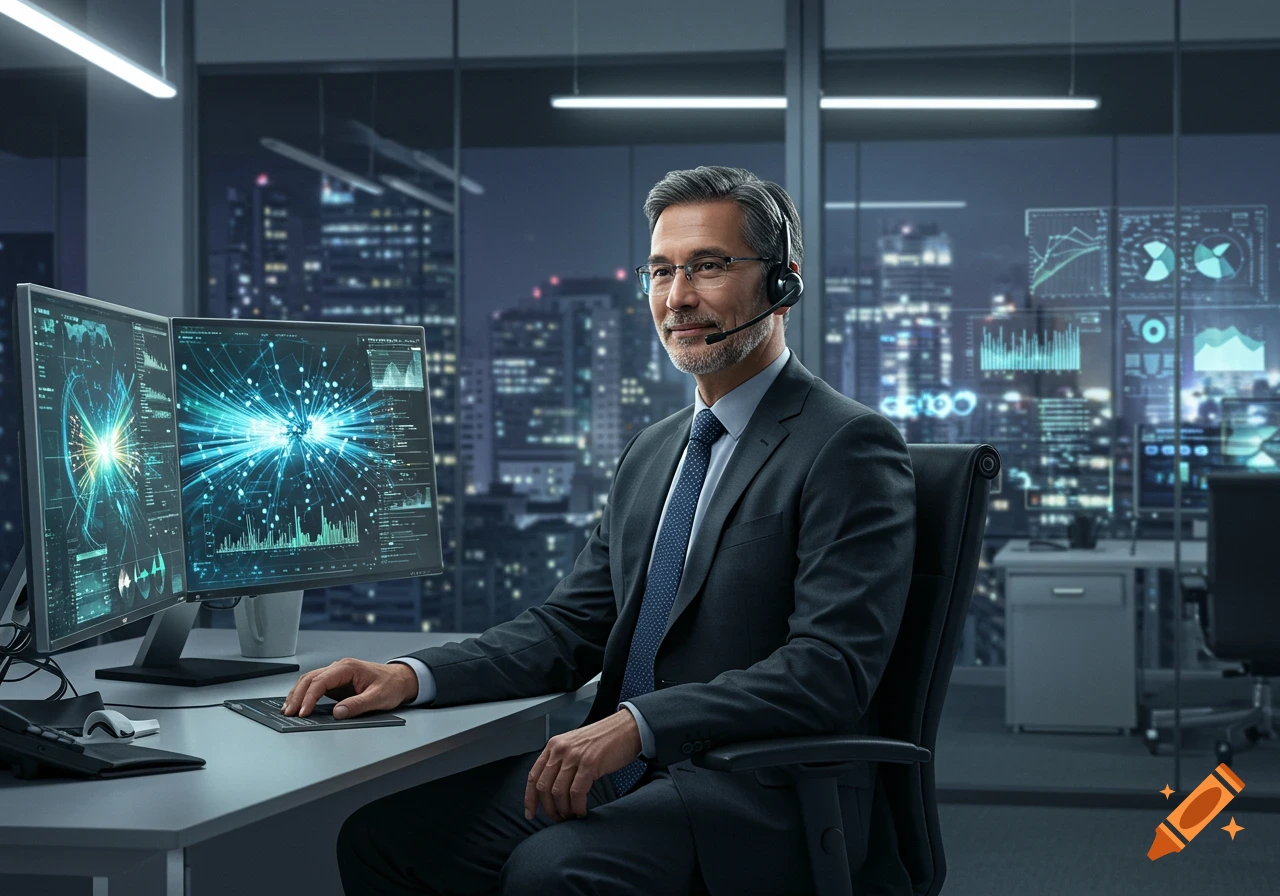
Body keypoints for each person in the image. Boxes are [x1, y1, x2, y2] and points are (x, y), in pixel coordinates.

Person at [283, 165, 917, 895]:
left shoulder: (846, 445)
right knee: (384, 840)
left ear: (783, 284)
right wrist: (411, 677)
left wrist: (639, 723)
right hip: (630, 769)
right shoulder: (656, 449)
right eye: (660, 271)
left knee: (551, 873)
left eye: (708, 267)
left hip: (755, 790)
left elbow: (829, 669)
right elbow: (568, 628)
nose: (677, 298)